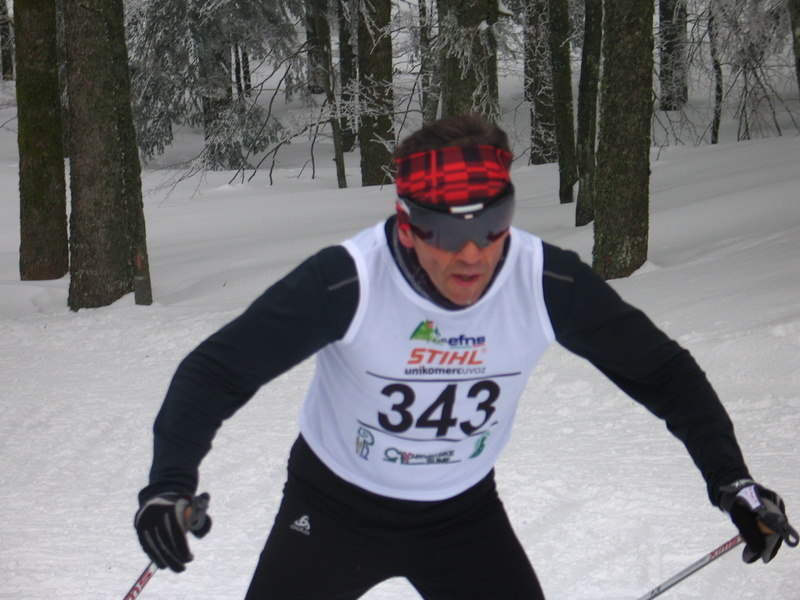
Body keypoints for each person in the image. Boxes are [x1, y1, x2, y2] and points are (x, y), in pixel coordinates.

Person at [134, 114, 797, 599]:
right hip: (334, 507)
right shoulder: (348, 281)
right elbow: (218, 371)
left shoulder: (544, 280)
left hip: (459, 516)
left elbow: (663, 373)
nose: (473, 253)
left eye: (492, 223)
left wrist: (731, 481)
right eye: (447, 230)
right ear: (407, 225)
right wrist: (168, 484)